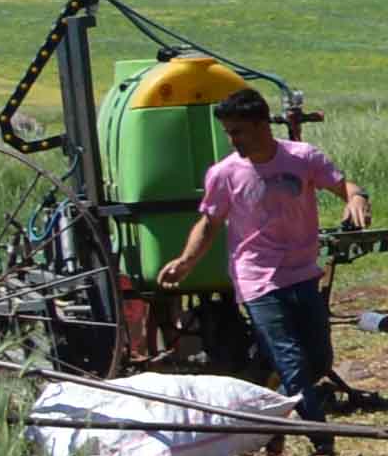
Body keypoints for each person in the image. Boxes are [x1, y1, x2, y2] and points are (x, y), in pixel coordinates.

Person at [155, 89, 372, 408]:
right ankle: (321, 445)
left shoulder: (303, 158)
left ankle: (270, 416)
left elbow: (345, 187)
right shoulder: (225, 173)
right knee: (291, 361)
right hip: (256, 278)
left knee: (318, 360)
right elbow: (209, 223)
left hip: (302, 271)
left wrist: (357, 198)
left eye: (238, 132)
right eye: (228, 133)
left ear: (261, 125)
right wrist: (187, 261)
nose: (232, 140)